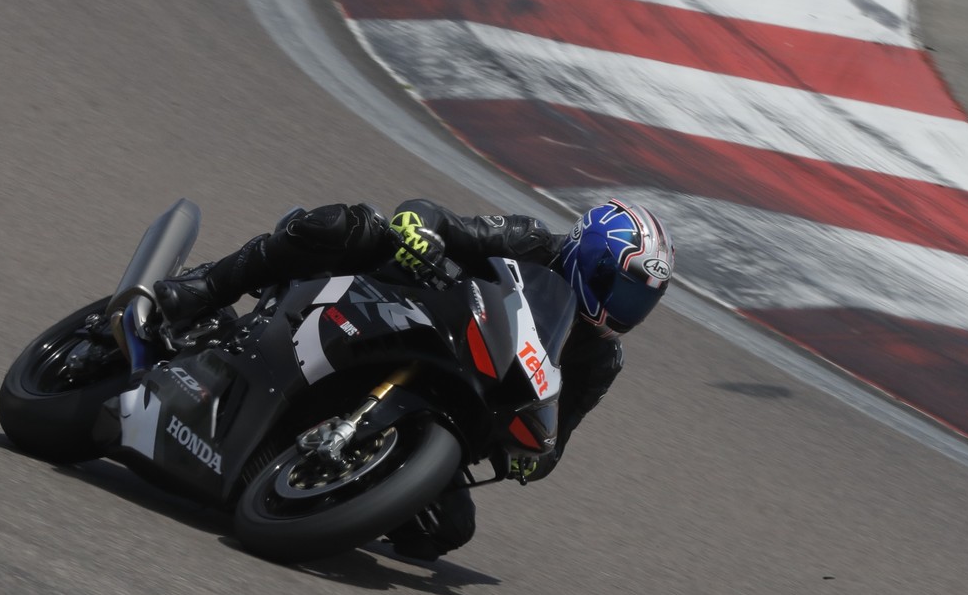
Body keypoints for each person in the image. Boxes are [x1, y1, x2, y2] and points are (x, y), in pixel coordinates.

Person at [154, 198, 675, 560]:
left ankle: (329, 494)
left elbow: (557, 438)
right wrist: (418, 230)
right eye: (621, 286)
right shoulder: (532, 240)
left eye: (641, 300)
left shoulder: (601, 360)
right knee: (351, 225)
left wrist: (529, 456)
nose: (625, 308)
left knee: (448, 530)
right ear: (589, 257)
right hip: (409, 315)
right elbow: (438, 218)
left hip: (458, 405)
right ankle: (207, 285)